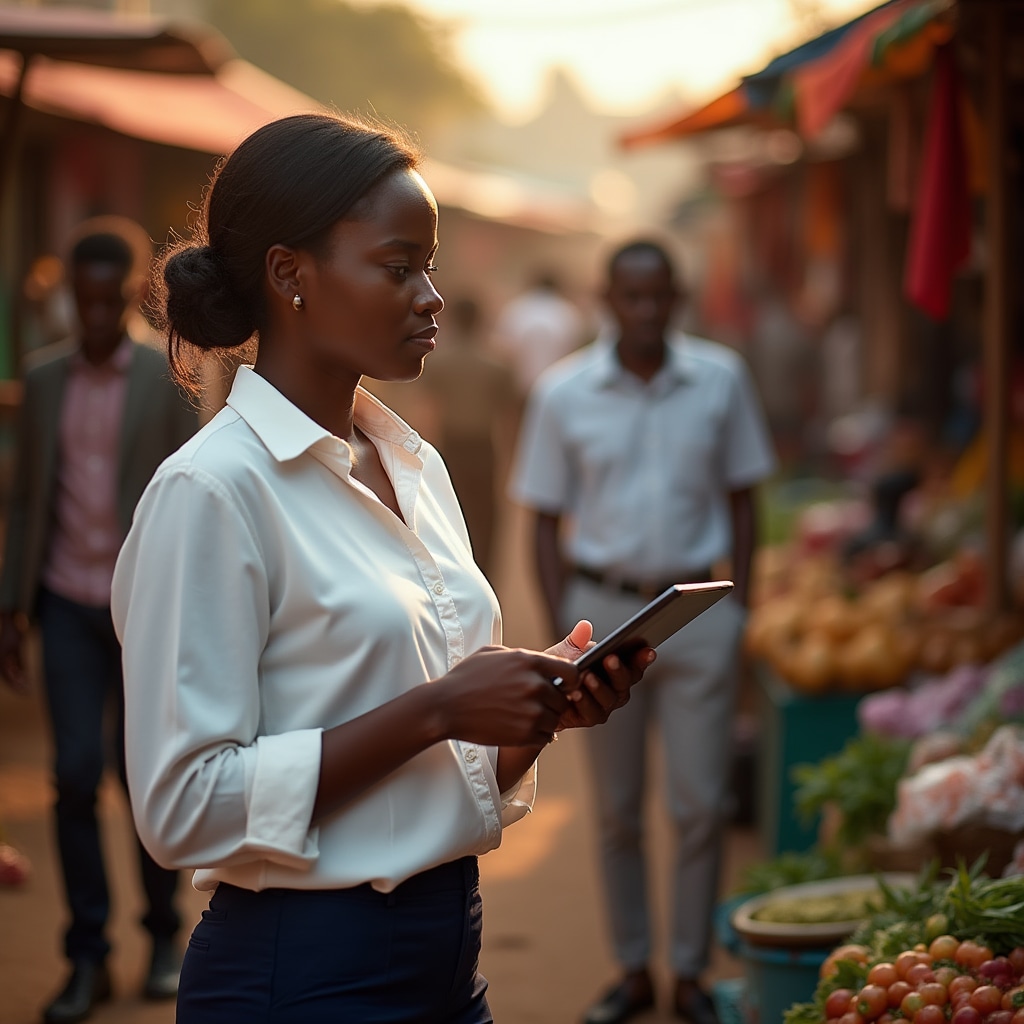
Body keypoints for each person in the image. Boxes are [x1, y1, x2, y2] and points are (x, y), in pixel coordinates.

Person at [109, 112, 655, 1024]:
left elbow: (436, 772)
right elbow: (182, 808)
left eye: (430, 266)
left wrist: (535, 712)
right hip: (297, 972)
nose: (432, 295)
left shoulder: (413, 465)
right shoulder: (211, 492)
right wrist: (438, 707)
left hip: (444, 958)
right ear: (291, 275)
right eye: (399, 267)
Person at [510, 239, 777, 1024]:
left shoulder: (721, 381)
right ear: (607, 300)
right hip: (607, 616)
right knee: (618, 810)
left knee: (699, 807)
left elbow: (744, 498)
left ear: (677, 299)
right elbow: (542, 520)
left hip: (697, 612)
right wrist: (568, 630)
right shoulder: (563, 394)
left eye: (659, 297)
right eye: (631, 297)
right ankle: (634, 971)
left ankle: (689, 973)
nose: (646, 311)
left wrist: (744, 610)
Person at [0, 216, 198, 1023]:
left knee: (143, 777)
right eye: (78, 301)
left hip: (142, 610)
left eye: (105, 301)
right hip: (64, 604)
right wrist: (11, 608)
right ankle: (87, 955)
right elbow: (27, 501)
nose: (90, 316)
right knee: (74, 774)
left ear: (126, 299)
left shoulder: (164, 381)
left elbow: (193, 499)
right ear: (67, 299)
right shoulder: (43, 382)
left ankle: (163, 938)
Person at [417, 295, 517, 580]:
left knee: (448, 511)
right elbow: (508, 418)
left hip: (450, 445)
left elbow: (428, 411)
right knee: (486, 516)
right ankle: (485, 576)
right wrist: (509, 459)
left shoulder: (438, 360)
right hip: (484, 446)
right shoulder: (496, 362)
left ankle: (454, 574)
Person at [490, 270, 586, 404]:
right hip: (558, 384)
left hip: (520, 385)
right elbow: (574, 350)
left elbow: (502, 348)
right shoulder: (568, 311)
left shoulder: (515, 308)